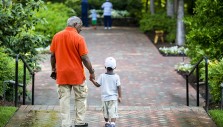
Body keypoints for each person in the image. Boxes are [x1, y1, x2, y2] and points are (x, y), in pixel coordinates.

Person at [50, 16, 95, 127]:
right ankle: (79, 122)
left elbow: (52, 56)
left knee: (64, 100)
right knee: (80, 98)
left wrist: (53, 69)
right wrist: (91, 71)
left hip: (62, 74)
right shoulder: (79, 38)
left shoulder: (57, 36)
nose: (81, 29)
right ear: (75, 24)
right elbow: (85, 58)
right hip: (77, 75)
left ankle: (66, 124)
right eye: (80, 26)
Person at [90, 57, 122, 127]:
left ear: (105, 66)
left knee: (105, 113)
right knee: (113, 112)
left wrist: (92, 80)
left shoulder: (102, 76)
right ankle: (113, 124)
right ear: (115, 67)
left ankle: (107, 123)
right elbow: (119, 87)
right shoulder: (116, 77)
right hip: (113, 98)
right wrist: (120, 97)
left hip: (104, 99)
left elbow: (97, 85)